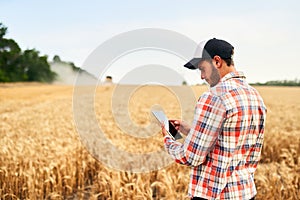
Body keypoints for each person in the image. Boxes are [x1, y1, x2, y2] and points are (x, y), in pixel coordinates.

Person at [161, 38, 267, 200]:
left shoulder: (214, 96)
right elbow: (233, 141)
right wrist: (192, 131)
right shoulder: (254, 96)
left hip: (215, 195)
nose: (202, 76)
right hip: (245, 192)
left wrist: (168, 140)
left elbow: (191, 157)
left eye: (202, 68)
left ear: (217, 61)